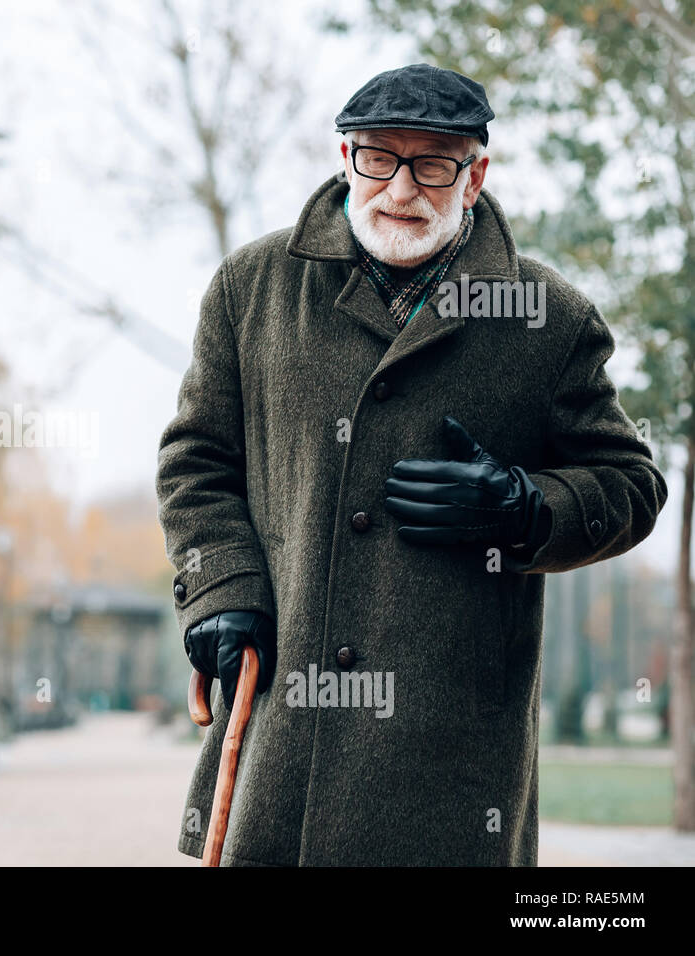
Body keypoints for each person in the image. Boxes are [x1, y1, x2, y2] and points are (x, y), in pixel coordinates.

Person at [156, 63, 667, 866]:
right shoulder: (249, 289)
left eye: (433, 164)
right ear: (345, 157)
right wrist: (222, 587)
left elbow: (633, 486)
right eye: (378, 158)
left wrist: (524, 506)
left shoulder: (550, 317)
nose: (401, 189)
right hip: (283, 744)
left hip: (454, 773)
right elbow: (197, 458)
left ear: (475, 176)